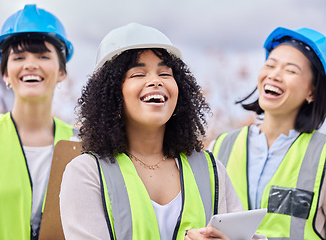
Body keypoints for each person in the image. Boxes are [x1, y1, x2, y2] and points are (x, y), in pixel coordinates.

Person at [59, 23, 265, 240]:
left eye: (165, 73)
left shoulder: (211, 170)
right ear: (112, 95)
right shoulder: (87, 173)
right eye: (138, 74)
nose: (155, 81)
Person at [0, 4, 78, 240]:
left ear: (61, 72)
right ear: (5, 73)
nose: (30, 64)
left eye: (43, 56)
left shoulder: (82, 144)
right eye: (19, 57)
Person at [211, 27, 326, 239]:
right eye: (270, 65)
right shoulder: (219, 146)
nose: (274, 75)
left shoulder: (322, 155)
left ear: (312, 91)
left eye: (290, 70)